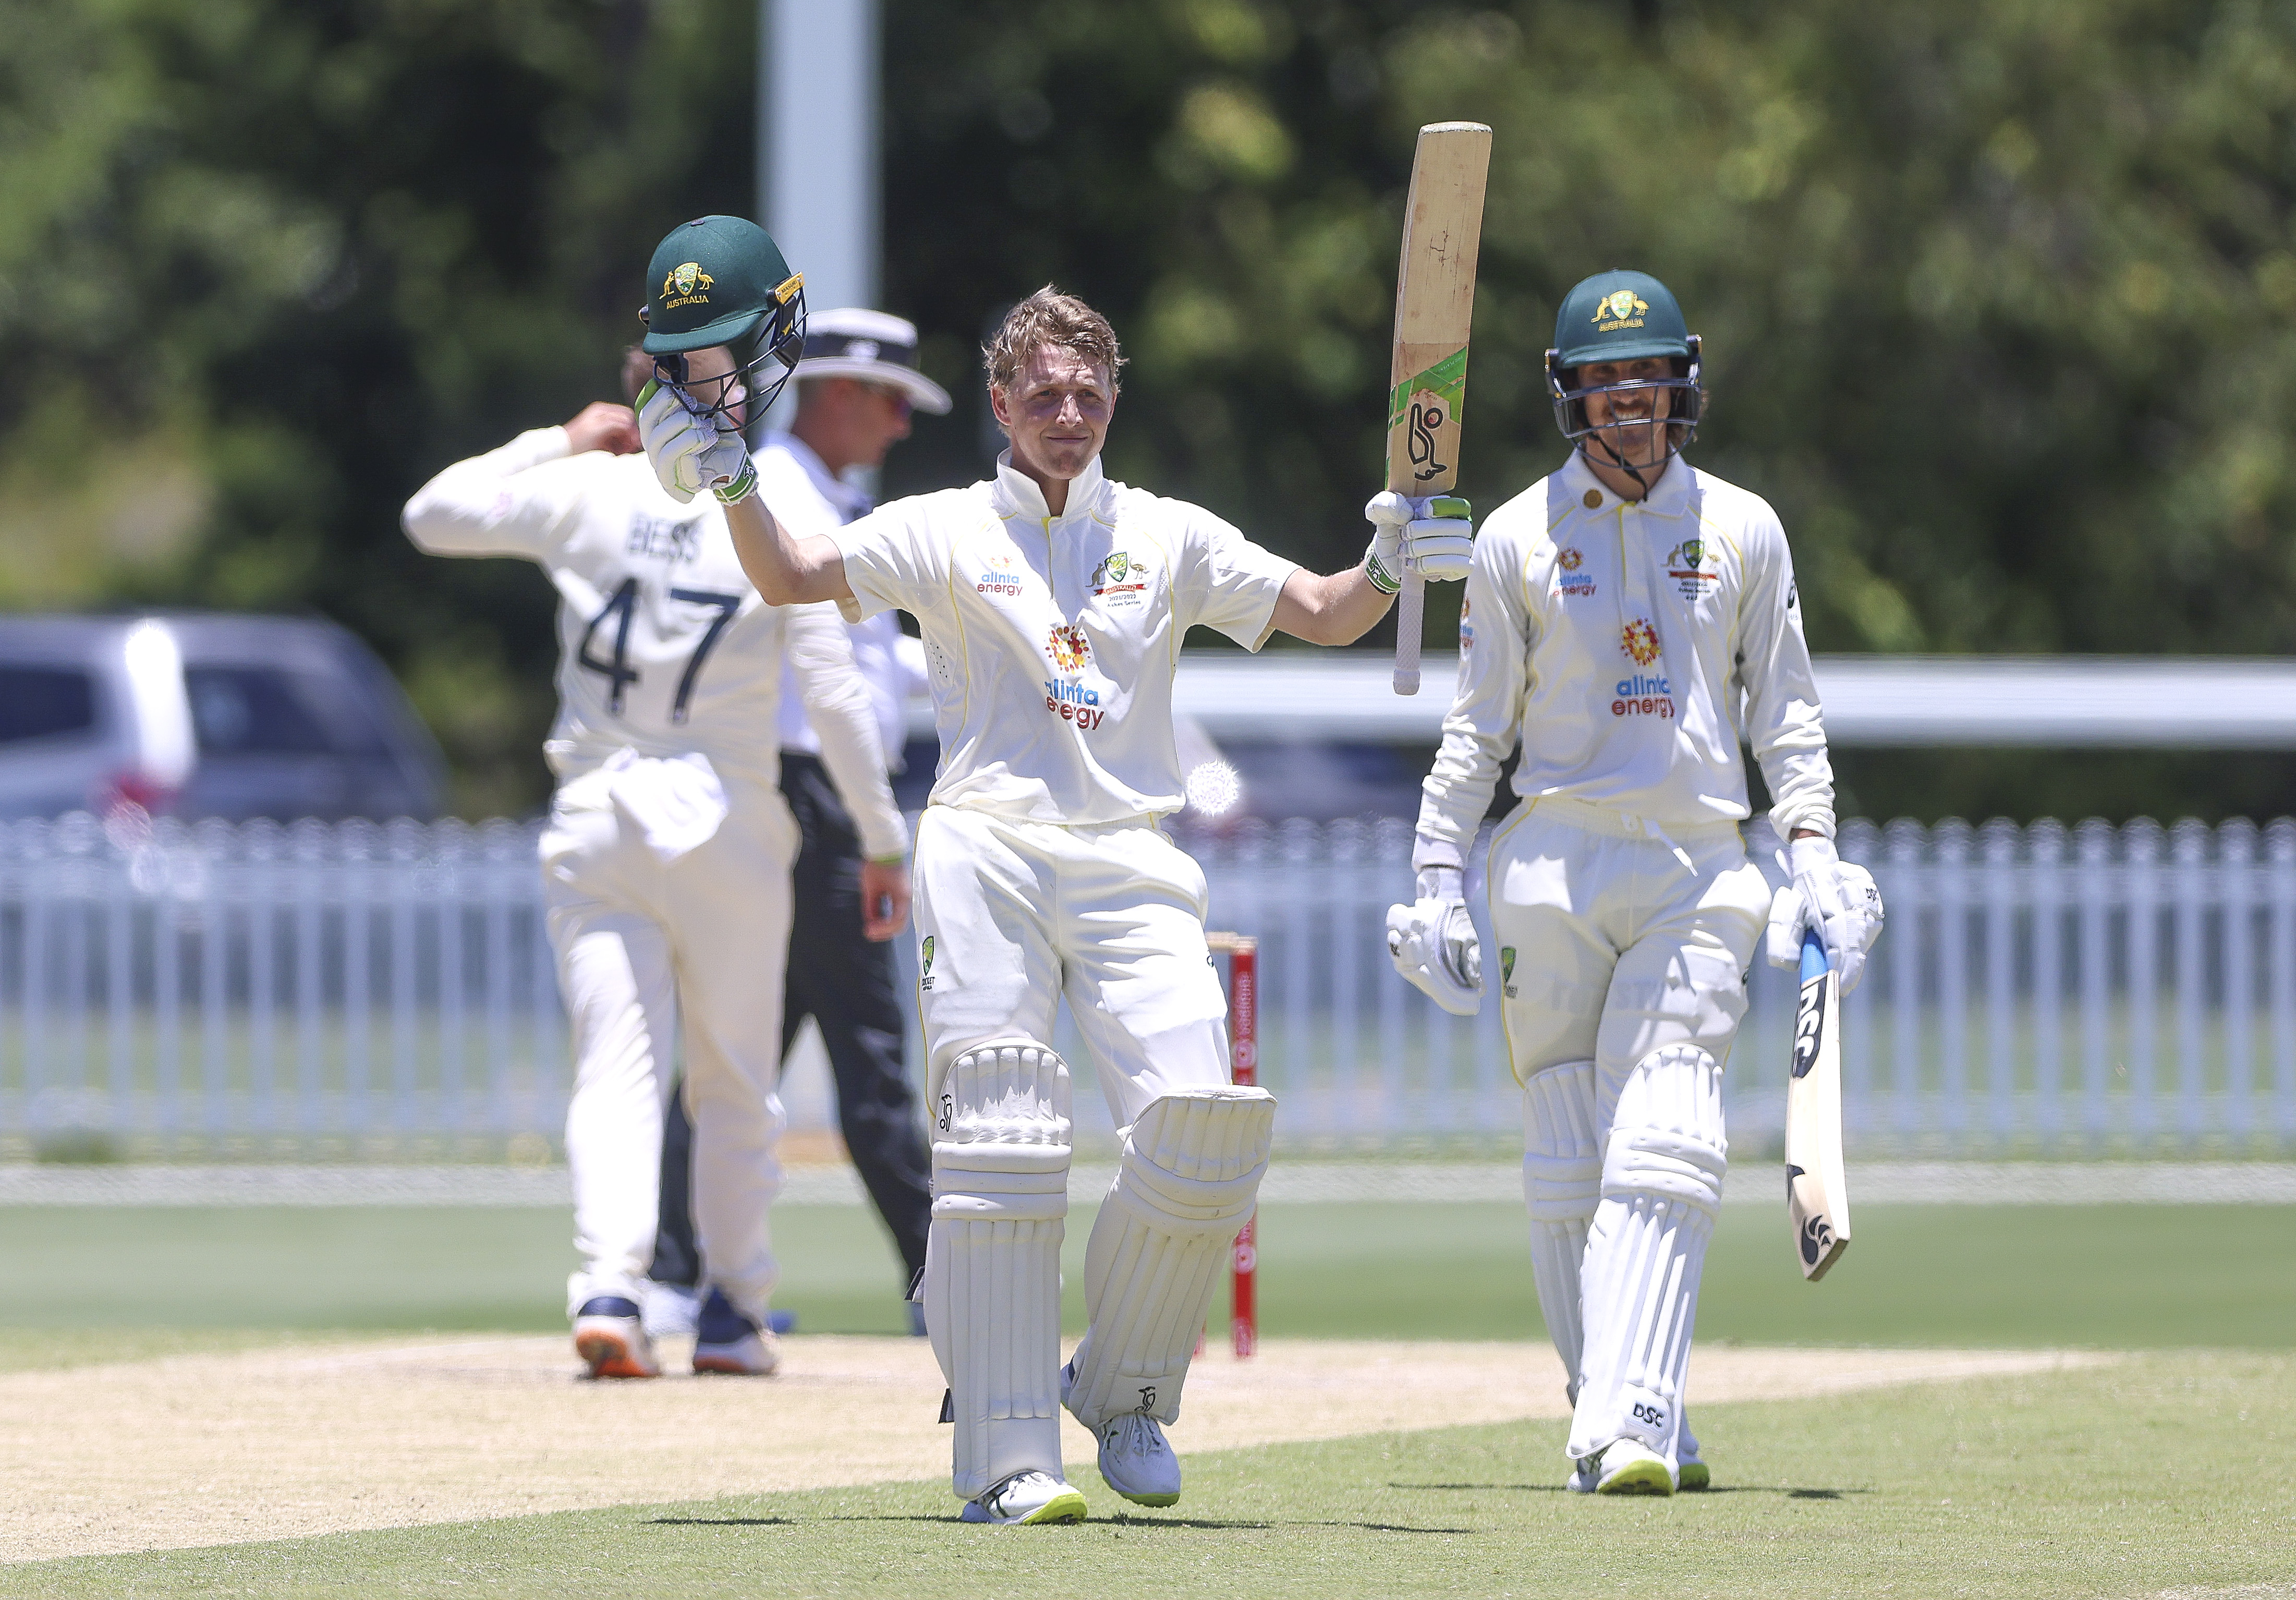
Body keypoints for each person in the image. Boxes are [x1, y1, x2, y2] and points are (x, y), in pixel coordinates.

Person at [634, 280, 1476, 1524]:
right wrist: (734, 479)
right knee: (1003, 1141)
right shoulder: (943, 527)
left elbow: (1320, 610)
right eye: (1043, 393)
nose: (1068, 412)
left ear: (1115, 397)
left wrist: (1394, 557)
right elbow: (794, 577)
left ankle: (1123, 1386)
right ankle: (1005, 1447)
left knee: (1205, 1126)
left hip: (1135, 854)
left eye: (1088, 391)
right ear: (1002, 403)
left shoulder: (1170, 531)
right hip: (987, 845)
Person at [1387, 269, 1884, 1495]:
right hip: (1549, 855)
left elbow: (1790, 716)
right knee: (1566, 1153)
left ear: (1683, 386)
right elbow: (1474, 729)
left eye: (1650, 380)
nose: (1632, 404)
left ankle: (1635, 1418)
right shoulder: (1513, 536)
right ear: (1571, 395)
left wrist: (1812, 851)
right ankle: (1603, 1401)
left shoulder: (1745, 528)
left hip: (1699, 862)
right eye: (1608, 382)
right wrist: (1438, 871)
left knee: (1666, 1127)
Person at [401, 214, 911, 1381]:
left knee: (615, 1067)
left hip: (595, 813)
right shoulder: (775, 507)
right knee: (734, 1074)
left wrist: (564, 438)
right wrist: (884, 843)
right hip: (729, 816)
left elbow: (429, 515)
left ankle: (612, 1289)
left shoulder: (587, 489)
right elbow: (835, 702)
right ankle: (732, 1306)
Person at [651, 309, 953, 1333]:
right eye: (890, 401)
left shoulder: (812, 492)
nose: (901, 425)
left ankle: (677, 1271)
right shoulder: (784, 491)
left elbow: (862, 665)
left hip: (779, 788)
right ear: (836, 391)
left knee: (744, 1047)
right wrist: (878, 833)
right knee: (862, 1048)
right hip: (807, 793)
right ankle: (939, 1277)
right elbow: (828, 680)